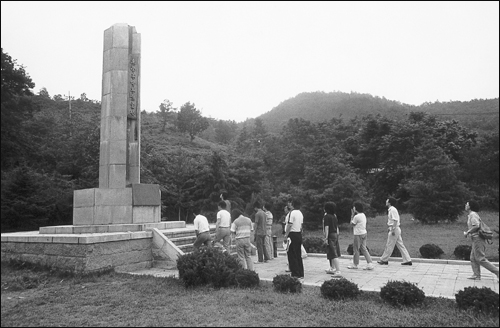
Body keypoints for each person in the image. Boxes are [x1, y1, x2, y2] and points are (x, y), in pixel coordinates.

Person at [463, 200, 499, 281]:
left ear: (470, 206)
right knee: (473, 258)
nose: (465, 205)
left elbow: (476, 226)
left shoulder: (473, 215)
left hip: (478, 239)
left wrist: (467, 232)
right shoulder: (471, 215)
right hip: (475, 238)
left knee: (480, 259)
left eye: (467, 204)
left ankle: (497, 272)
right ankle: (476, 275)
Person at [377, 197, 412, 266]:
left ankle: (384, 259)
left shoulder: (392, 210)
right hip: (394, 229)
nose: (386, 201)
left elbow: (395, 220)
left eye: (387, 200)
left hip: (394, 229)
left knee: (389, 245)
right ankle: (407, 260)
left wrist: (392, 229)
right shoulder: (391, 210)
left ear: (389, 202)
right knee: (400, 245)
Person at [348, 202, 374, 270]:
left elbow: (352, 224)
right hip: (364, 233)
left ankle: (355, 264)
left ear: (356, 208)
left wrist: (352, 215)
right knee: (363, 248)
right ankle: (370, 263)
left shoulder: (356, 216)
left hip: (358, 234)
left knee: (356, 249)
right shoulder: (363, 215)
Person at [284, 199, 304, 282]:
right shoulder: (300, 213)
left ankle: (295, 273)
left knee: (292, 254)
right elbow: (301, 225)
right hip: (298, 233)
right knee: (298, 254)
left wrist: (286, 235)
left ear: (293, 205)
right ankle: (300, 272)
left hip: (292, 234)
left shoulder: (292, 213)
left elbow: (289, 225)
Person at [323, 202, 341, 277]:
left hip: (330, 235)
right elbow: (337, 227)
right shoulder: (334, 216)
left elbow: (327, 227)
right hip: (335, 234)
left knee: (333, 253)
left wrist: (326, 238)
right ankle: (332, 268)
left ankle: (338, 271)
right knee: (333, 251)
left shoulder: (326, 217)